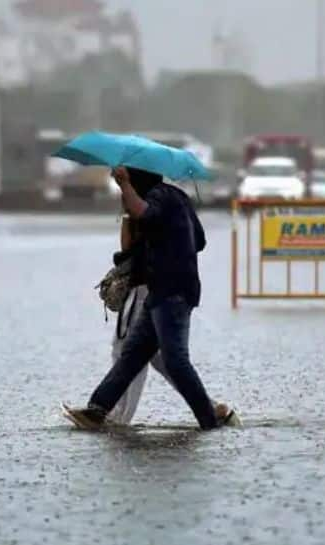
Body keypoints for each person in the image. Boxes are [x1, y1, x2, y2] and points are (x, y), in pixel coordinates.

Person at [64, 166, 229, 430]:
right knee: (132, 355)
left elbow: (145, 213)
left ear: (137, 179)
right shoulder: (177, 197)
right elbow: (199, 240)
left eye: (130, 179)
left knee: (175, 361)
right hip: (163, 291)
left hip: (172, 291)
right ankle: (97, 410)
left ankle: (209, 418)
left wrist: (125, 185)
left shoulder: (158, 198)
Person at [106, 215, 237, 426]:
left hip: (146, 286)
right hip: (162, 285)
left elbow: (128, 247)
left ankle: (119, 416)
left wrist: (126, 219)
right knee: (159, 356)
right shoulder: (171, 205)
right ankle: (211, 407)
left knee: (128, 349)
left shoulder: (143, 205)